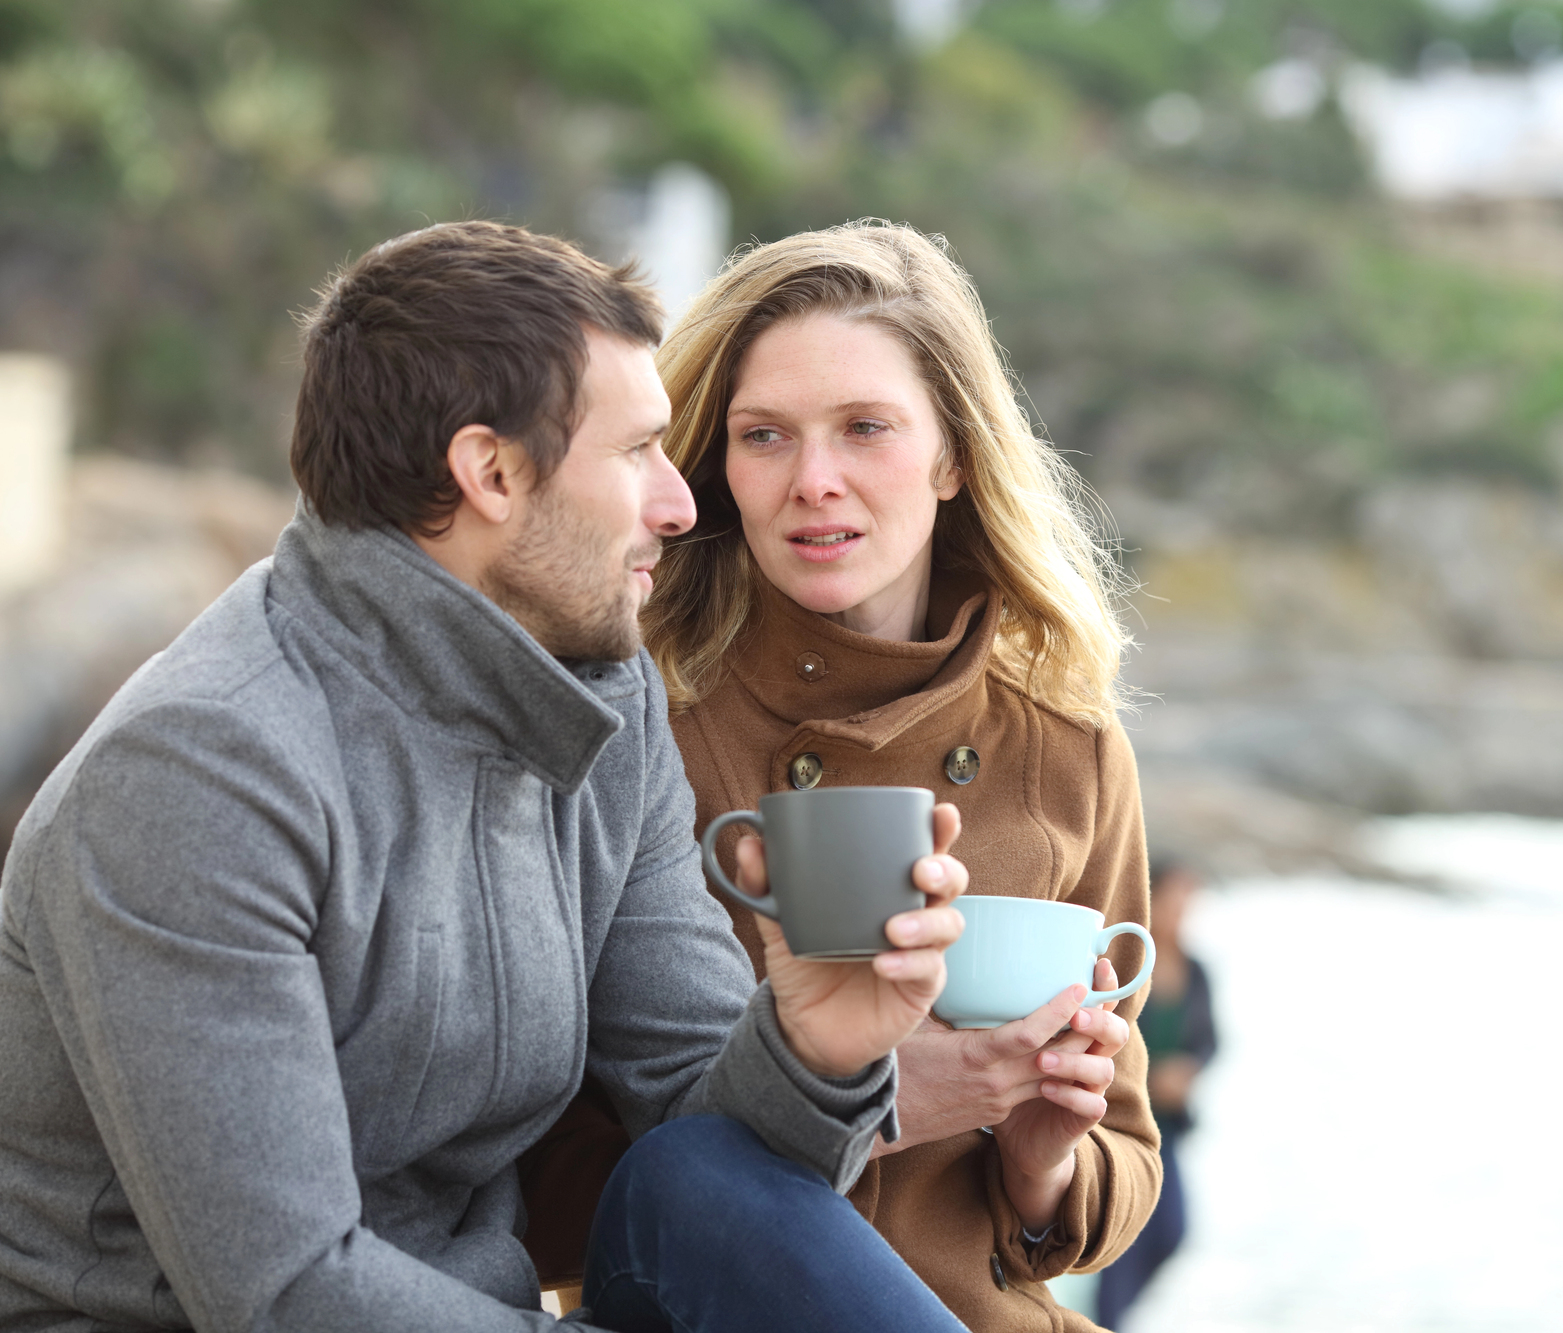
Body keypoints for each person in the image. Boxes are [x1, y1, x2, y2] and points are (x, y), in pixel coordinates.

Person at [0, 220, 979, 1333]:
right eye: (634, 453)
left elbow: (721, 1175)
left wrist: (813, 1045)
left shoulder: (601, 703)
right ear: (491, 472)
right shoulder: (199, 777)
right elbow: (286, 1292)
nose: (680, 502)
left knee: (694, 1175)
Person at [524, 220, 1163, 1330]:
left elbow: (1127, 1149)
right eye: (764, 436)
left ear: (952, 454)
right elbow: (546, 1159)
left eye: (864, 428)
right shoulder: (638, 730)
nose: (813, 481)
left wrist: (1039, 1165)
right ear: (715, 465)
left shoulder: (1067, 746)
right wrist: (868, 1102)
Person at [1093, 860, 1216, 1329]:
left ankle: (1113, 1317)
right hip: (1118, 1116)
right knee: (1119, 1229)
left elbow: (1209, 1042)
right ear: (1152, 900)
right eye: (1176, 900)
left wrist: (1189, 1069)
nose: (1184, 911)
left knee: (1171, 1231)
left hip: (1169, 1125)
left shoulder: (1197, 970)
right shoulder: (1126, 965)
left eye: (1191, 902)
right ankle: (1106, 1320)